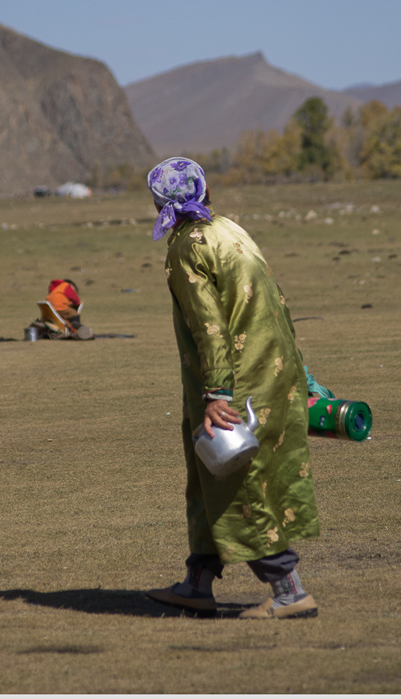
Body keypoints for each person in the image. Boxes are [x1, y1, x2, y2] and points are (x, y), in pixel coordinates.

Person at [145, 157, 319, 620]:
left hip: (235, 384)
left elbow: (210, 328)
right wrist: (306, 377)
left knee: (239, 483)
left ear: (159, 201)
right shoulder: (230, 230)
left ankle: (290, 591)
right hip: (271, 370)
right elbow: (276, 303)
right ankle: (197, 583)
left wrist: (217, 395)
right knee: (208, 478)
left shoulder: (186, 245)